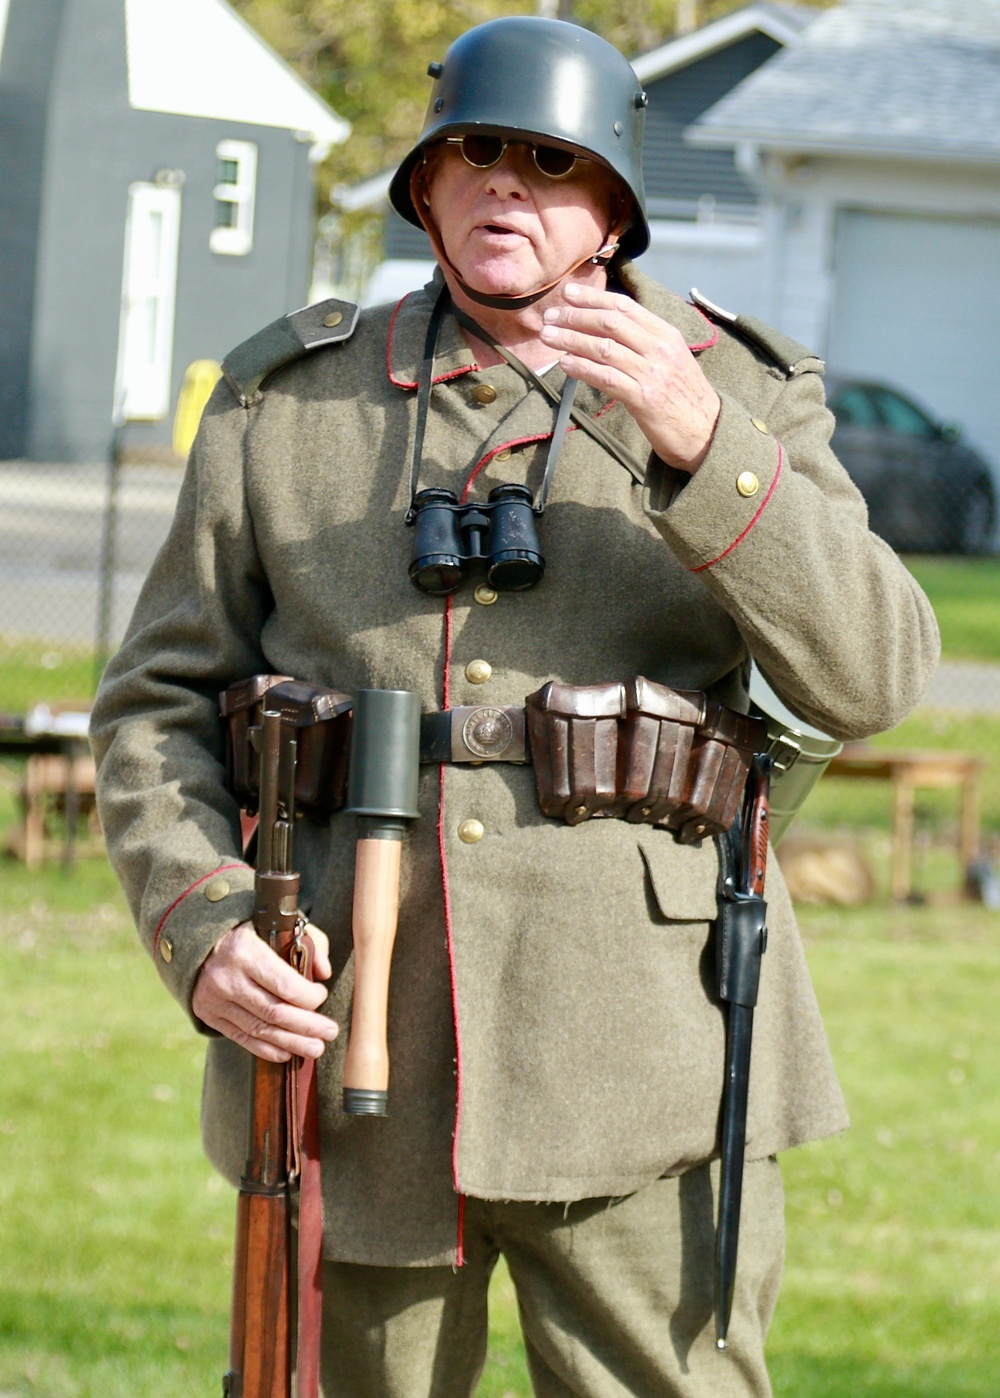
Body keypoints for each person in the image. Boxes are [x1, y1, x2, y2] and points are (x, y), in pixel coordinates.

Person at [91, 16, 939, 1398]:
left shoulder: (739, 393)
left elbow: (880, 669)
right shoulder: (285, 404)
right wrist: (199, 921)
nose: (505, 183)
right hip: (361, 1047)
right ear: (423, 187)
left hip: (649, 1048)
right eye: (471, 153)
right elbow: (151, 708)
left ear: (613, 210)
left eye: (550, 161)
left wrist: (702, 445)